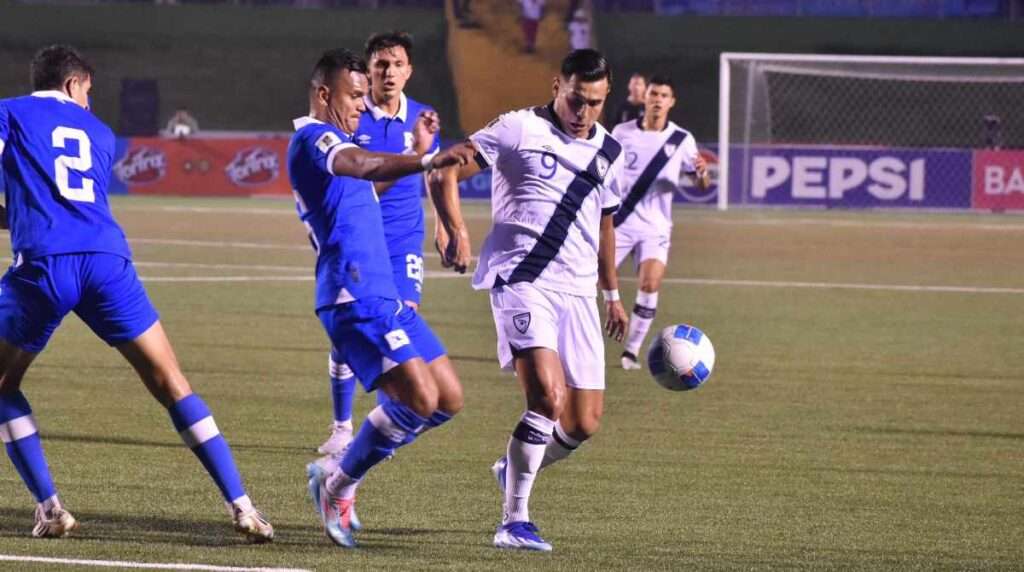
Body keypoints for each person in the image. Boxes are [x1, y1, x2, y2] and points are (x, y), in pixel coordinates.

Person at [0, 45, 273, 543]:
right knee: (171, 381)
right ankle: (244, 507)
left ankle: (51, 508)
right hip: (107, 261)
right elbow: (74, 203)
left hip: (44, 266)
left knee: (1, 384)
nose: (90, 102)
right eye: (88, 92)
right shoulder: (101, 135)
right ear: (72, 85)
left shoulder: (10, 113)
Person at [432, 49, 628, 551]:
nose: (585, 113)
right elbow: (444, 169)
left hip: (580, 293)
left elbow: (605, 223)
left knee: (583, 422)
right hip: (523, 280)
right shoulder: (518, 129)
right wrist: (453, 227)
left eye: (597, 103)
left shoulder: (609, 151)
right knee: (546, 397)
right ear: (556, 86)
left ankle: (515, 465)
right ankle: (513, 521)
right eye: (577, 100)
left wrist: (612, 293)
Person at [287, 48, 473, 548]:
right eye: (353, 96)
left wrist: (419, 151)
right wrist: (428, 157)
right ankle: (338, 483)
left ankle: (340, 474)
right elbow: (360, 164)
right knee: (420, 397)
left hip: (384, 292)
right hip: (352, 294)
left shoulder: (341, 145)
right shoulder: (312, 138)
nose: (361, 105)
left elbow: (375, 179)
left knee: (447, 399)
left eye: (364, 97)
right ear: (324, 94)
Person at [313, 31, 471, 462]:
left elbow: (437, 174)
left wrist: (448, 225)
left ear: (409, 70)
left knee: (403, 319)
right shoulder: (353, 117)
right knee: (352, 332)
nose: (388, 72)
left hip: (402, 244)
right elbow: (354, 182)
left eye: (396, 64)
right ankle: (343, 427)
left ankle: (389, 421)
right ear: (368, 70)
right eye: (380, 64)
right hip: (360, 240)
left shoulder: (422, 116)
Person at [611, 75, 709, 370]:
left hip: (655, 227)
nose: (657, 99)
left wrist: (702, 173)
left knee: (650, 283)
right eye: (653, 93)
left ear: (671, 101)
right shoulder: (621, 132)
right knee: (584, 283)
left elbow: (701, 183)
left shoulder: (682, 139)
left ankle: (631, 351)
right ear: (645, 98)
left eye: (664, 95)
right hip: (618, 223)